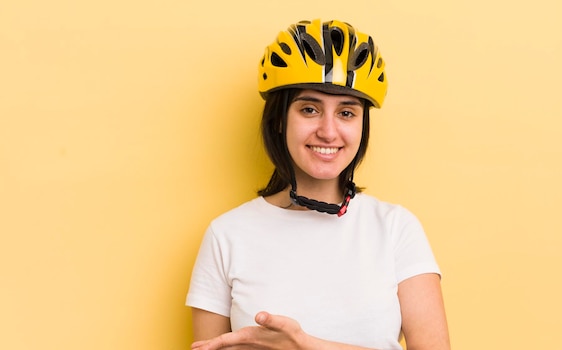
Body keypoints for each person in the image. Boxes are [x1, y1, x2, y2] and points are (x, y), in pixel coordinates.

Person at [186, 19, 451, 350]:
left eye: (346, 113)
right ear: (280, 120)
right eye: (309, 109)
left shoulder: (397, 229)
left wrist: (304, 345)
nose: (328, 131)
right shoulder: (226, 235)